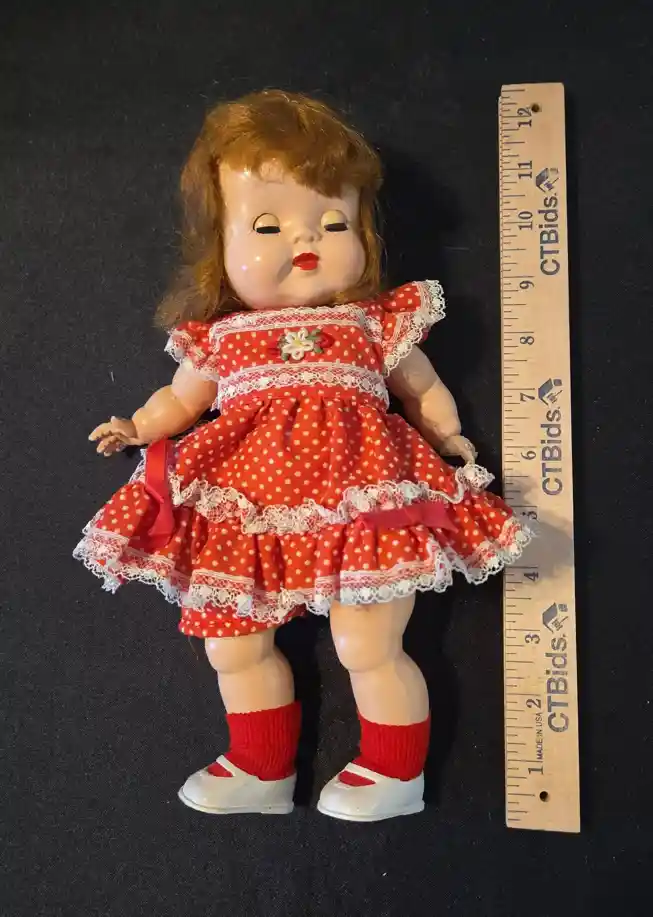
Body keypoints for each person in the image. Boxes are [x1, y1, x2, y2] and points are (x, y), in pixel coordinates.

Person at [73, 90, 532, 821]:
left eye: (333, 222)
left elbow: (422, 388)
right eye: (267, 225)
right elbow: (181, 401)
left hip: (364, 499)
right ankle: (259, 768)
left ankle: (395, 770)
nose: (305, 239)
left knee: (368, 641)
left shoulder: (369, 324)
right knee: (231, 642)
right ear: (218, 247)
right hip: (244, 501)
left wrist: (446, 436)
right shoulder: (221, 338)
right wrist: (138, 425)